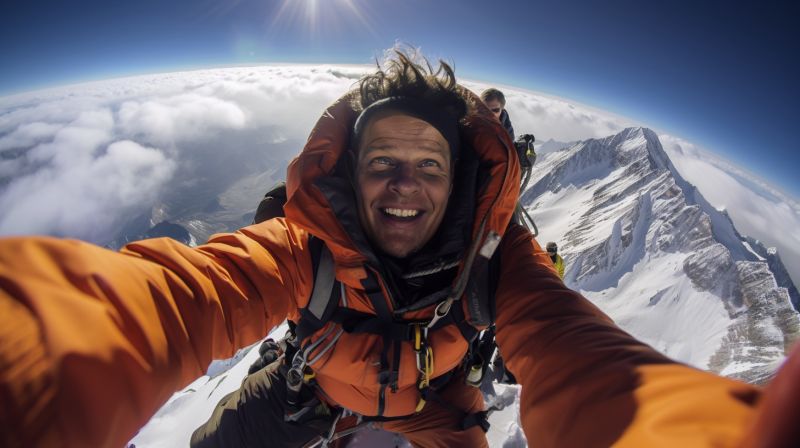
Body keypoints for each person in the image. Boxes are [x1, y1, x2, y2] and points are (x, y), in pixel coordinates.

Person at [0, 50, 790, 448]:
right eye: (383, 164)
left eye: (428, 166)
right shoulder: (304, 245)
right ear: (350, 175)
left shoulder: (500, 262)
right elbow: (171, 295)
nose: (403, 187)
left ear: (460, 184)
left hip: (441, 409)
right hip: (317, 388)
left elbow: (586, 359)